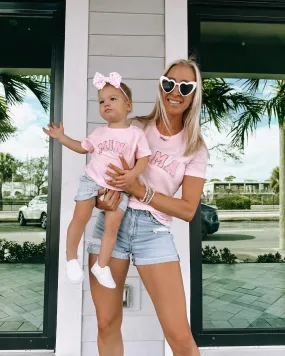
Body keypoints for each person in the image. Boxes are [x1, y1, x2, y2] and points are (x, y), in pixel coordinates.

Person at [87, 58, 208, 356]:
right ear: (160, 86)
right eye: (169, 83)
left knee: (179, 335)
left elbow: (188, 209)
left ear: (194, 94)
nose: (175, 91)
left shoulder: (195, 148)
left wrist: (141, 190)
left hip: (153, 232)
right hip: (111, 225)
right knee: (106, 324)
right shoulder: (135, 127)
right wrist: (100, 200)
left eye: (185, 86)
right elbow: (100, 177)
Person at [42, 72, 151, 288]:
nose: (106, 104)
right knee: (80, 217)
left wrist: (132, 175)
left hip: (119, 187)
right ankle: (71, 258)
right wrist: (62, 138)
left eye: (113, 99)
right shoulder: (99, 132)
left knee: (112, 227)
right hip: (92, 180)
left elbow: (144, 158)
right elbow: (82, 148)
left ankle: (101, 265)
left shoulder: (136, 134)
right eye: (101, 101)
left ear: (128, 105)